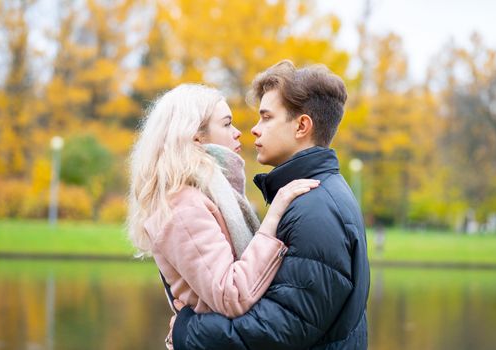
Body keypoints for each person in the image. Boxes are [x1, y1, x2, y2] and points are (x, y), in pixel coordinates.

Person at [170, 61, 370, 350]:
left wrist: (189, 331)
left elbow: (282, 327)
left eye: (266, 117)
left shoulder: (316, 208)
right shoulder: (312, 194)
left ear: (302, 126)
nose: (253, 129)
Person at [127, 84, 320, 345]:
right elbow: (230, 295)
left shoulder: (209, 196)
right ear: (196, 137)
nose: (239, 133)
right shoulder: (182, 206)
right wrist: (272, 218)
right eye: (227, 124)